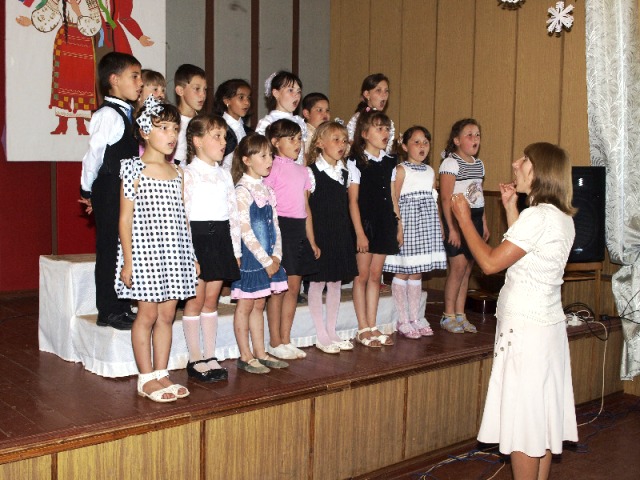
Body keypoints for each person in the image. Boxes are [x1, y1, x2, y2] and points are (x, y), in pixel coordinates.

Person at [451, 142, 578, 480]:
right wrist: (510, 208)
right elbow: (525, 257)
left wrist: (464, 220)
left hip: (526, 332)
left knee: (524, 424)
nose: (515, 163)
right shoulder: (560, 217)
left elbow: (491, 263)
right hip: (546, 329)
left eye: (524, 160)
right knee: (540, 419)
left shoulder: (538, 217)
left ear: (540, 171)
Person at [115, 96, 197, 403]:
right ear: (145, 131)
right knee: (147, 314)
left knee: (167, 314)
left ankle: (161, 373)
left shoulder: (178, 172)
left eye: (175, 128)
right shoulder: (133, 169)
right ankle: (146, 377)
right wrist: (128, 261)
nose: (172, 134)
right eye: (164, 128)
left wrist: (191, 256)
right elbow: (125, 219)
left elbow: (182, 218)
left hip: (174, 252)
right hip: (144, 253)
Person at [79, 52, 142, 330]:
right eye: (134, 76)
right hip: (109, 186)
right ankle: (107, 309)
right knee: (109, 248)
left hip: (123, 188)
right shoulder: (107, 115)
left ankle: (121, 304)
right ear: (114, 80)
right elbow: (94, 154)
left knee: (122, 245)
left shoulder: (127, 114)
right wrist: (87, 189)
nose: (140, 83)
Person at [181, 114, 241, 383]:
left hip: (220, 239)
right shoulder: (188, 174)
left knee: (211, 299)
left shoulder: (224, 175)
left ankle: (210, 353)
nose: (223, 141)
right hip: (197, 239)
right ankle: (195, 357)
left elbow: (233, 214)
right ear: (197, 141)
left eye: (225, 136)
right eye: (216, 136)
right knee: (195, 300)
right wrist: (189, 254)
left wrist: (236, 250)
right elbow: (183, 216)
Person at [230, 134, 289, 374]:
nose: (269, 161)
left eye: (270, 156)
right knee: (246, 305)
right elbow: (245, 230)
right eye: (263, 156)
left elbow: (276, 227)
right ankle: (245, 355)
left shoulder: (266, 189)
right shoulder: (242, 190)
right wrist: (265, 260)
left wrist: (277, 256)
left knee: (259, 304)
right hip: (252, 259)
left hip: (269, 259)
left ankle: (260, 352)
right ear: (247, 160)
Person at [383, 127, 447, 338]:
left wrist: (439, 224)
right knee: (404, 270)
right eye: (416, 142)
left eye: (425, 142)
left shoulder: (430, 171)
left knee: (417, 271)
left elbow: (434, 199)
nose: (422, 147)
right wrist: (397, 225)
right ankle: (402, 319)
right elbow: (394, 198)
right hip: (408, 225)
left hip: (425, 227)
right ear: (404, 146)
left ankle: (415, 317)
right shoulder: (401, 170)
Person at [263, 119, 319, 360]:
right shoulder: (272, 168)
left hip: (298, 230)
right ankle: (274, 341)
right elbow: (265, 203)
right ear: (275, 142)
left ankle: (286, 338)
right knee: (278, 289)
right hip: (279, 228)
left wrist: (312, 240)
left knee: (294, 287)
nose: (297, 143)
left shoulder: (303, 171)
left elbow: (306, 207)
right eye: (291, 139)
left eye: (299, 139)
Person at [347, 110, 400, 347]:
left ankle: (373, 324)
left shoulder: (390, 162)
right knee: (362, 275)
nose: (385, 133)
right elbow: (353, 200)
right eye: (379, 128)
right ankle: (362, 327)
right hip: (365, 223)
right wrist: (359, 232)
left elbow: (393, 196)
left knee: (376, 276)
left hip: (384, 222)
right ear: (365, 133)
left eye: (387, 129)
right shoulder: (356, 161)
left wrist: (398, 224)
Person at [305, 121, 358, 353]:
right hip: (320, 234)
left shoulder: (344, 172)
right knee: (317, 283)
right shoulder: (311, 172)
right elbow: (306, 207)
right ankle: (321, 333)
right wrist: (311, 239)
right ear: (319, 143)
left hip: (339, 233)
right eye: (335, 139)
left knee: (335, 282)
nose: (341, 144)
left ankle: (332, 330)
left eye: (344, 140)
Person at [17, 0, 102, 136]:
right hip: (64, 41)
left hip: (83, 42)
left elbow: (95, 24)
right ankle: (62, 124)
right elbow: (48, 15)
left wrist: (77, 11)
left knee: (82, 83)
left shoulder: (90, 1)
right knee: (63, 81)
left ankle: (81, 125)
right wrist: (32, 22)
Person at [438, 118, 488, 334]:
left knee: (467, 269)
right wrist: (452, 228)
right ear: (457, 140)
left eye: (477, 135)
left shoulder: (479, 164)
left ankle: (460, 314)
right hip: (456, 218)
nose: (474, 139)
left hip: (474, 218)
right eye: (469, 135)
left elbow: (479, 195)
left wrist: (483, 222)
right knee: (457, 268)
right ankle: (447, 315)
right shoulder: (450, 163)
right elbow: (445, 198)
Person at [255, 71, 307, 165]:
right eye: (290, 90)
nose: (296, 95)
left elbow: (302, 156)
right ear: (276, 93)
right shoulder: (267, 122)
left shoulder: (299, 121)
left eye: (299, 91)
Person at [346, 73, 396, 154]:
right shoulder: (357, 118)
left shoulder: (387, 121)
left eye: (386, 91)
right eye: (378, 90)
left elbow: (388, 150)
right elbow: (350, 144)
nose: (384, 95)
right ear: (367, 94)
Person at [212, 79, 253, 171]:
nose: (247, 102)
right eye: (241, 97)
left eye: (248, 98)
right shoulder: (216, 129)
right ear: (227, 100)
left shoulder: (249, 132)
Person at [173, 64, 207, 165]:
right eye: (197, 89)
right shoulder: (172, 122)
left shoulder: (204, 122)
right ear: (180, 91)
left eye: (205, 89)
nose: (203, 95)